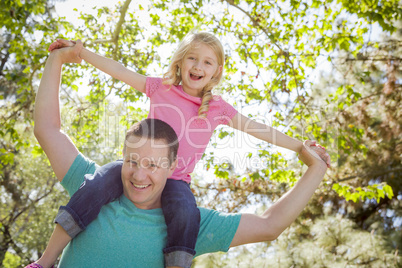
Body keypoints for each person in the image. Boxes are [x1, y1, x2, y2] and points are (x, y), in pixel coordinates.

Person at [28, 33, 330, 268]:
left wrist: (300, 147)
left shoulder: (217, 109)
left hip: (178, 184)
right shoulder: (161, 88)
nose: (198, 66)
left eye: (207, 62)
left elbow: (258, 128)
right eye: (192, 59)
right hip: (127, 165)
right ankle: (44, 261)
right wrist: (77, 53)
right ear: (180, 62)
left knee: (185, 213)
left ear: (216, 71)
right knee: (94, 185)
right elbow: (118, 71)